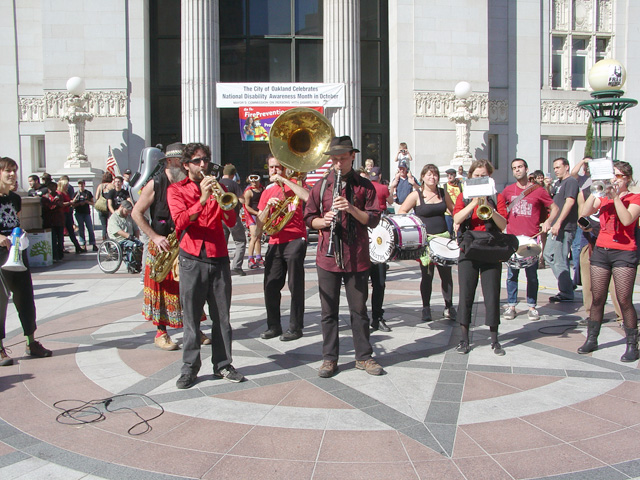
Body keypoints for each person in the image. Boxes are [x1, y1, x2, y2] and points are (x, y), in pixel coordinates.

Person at [304, 135, 383, 378]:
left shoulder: (364, 186)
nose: (338, 163)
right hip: (327, 257)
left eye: (342, 159)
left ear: (352, 157)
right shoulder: (321, 185)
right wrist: (322, 221)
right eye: (334, 159)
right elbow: (308, 218)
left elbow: (373, 219)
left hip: (356, 255)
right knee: (328, 311)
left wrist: (351, 208)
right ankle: (330, 359)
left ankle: (364, 357)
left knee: (358, 310)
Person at [167, 142, 244, 389]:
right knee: (191, 319)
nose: (203, 165)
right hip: (192, 259)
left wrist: (223, 198)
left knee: (222, 317)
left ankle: (223, 365)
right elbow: (180, 222)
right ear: (186, 165)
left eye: (206, 160)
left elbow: (231, 219)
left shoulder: (218, 188)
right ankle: (189, 368)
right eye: (198, 161)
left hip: (219, 257)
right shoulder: (176, 190)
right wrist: (201, 198)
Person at [132, 142, 210, 350]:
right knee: (161, 289)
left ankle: (194, 328)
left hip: (185, 241)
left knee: (191, 289)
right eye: (180, 160)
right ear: (169, 161)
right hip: (163, 244)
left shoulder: (189, 182)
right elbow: (136, 213)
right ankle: (161, 332)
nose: (184, 164)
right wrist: (154, 237)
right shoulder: (155, 183)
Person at [577, 161, 640, 362]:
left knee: (624, 299)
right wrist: (597, 190)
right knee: (597, 297)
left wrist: (615, 197)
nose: (614, 179)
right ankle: (592, 338)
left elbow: (627, 219)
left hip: (624, 251)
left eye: (618, 176)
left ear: (627, 179)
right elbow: (585, 212)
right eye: (612, 175)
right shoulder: (603, 196)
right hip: (602, 250)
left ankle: (632, 344)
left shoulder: (635, 197)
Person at [0, 157, 52, 366]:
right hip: (0, 256)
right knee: (1, 301)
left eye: (15, 170)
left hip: (17, 253)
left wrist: (20, 235)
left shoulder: (15, 198)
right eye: (7, 171)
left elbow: (16, 221)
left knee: (25, 298)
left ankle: (31, 342)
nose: (13, 175)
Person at [453, 159, 508, 356]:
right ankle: (464, 339)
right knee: (466, 295)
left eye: (483, 176)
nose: (480, 178)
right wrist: (474, 203)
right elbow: (457, 219)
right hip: (469, 250)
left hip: (490, 250)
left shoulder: (497, 197)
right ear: (470, 177)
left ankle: (494, 339)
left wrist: (489, 208)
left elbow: (502, 225)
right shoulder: (463, 197)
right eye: (476, 176)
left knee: (492, 295)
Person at [257, 155, 310, 341]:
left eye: (278, 167)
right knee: (270, 286)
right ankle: (274, 326)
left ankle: (295, 327)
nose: (274, 171)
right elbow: (259, 224)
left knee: (295, 285)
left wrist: (285, 180)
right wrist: (266, 209)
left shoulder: (295, 184)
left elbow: (308, 197)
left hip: (295, 238)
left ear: (285, 168)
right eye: (271, 168)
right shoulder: (266, 192)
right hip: (274, 242)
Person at [399, 164, 455, 322]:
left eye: (435, 174)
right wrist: (414, 226)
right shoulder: (417, 195)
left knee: (446, 275)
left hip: (443, 239)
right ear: (422, 177)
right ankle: (426, 307)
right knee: (427, 275)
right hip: (426, 240)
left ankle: (449, 306)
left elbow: (453, 211)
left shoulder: (443, 193)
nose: (433, 177)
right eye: (429, 175)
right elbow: (402, 211)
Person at [502, 158, 555, 321]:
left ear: (526, 169)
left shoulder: (538, 190)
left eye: (520, 167)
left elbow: (555, 207)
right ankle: (511, 305)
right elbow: (501, 209)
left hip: (531, 239)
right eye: (514, 168)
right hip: (512, 239)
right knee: (512, 274)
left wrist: (548, 222)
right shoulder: (508, 190)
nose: (517, 170)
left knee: (531, 275)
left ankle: (532, 306)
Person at [542, 157, 579, 302]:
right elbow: (552, 202)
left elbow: (569, 202)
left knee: (559, 259)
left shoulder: (570, 182)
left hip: (565, 227)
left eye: (558, 167)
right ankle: (567, 284)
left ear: (567, 167)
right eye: (554, 168)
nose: (556, 170)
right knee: (549, 255)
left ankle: (566, 291)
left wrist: (559, 223)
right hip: (557, 225)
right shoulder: (559, 183)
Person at [367, 166, 392, 332]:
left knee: (364, 283)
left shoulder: (366, 187)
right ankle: (377, 317)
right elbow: (391, 203)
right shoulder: (382, 188)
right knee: (379, 283)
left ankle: (370, 318)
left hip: (371, 231)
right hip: (379, 233)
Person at [219, 163, 247, 276]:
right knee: (240, 241)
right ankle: (237, 265)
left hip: (220, 218)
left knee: (222, 243)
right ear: (233, 174)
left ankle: (223, 266)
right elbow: (242, 200)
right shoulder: (234, 184)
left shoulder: (218, 183)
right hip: (232, 217)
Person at [107, 200, 143, 271]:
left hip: (130, 238)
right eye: (127, 211)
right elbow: (118, 231)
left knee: (140, 245)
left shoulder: (129, 217)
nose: (128, 213)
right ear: (121, 207)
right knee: (132, 245)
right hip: (119, 240)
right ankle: (130, 265)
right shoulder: (114, 217)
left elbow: (136, 229)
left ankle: (138, 263)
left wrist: (137, 238)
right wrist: (130, 237)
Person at [244, 172, 264, 269]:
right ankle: (250, 258)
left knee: (259, 238)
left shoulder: (263, 189)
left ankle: (259, 257)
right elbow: (247, 206)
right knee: (254, 237)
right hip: (252, 216)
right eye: (252, 180)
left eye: (255, 180)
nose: (254, 182)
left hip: (261, 216)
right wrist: (256, 213)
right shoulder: (249, 192)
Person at [57, 178, 83, 254]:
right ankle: (61, 248)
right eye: (65, 185)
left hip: (68, 212)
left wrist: (71, 202)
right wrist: (69, 202)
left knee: (71, 230)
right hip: (63, 213)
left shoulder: (66, 193)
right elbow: (61, 204)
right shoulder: (60, 193)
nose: (67, 186)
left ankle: (77, 247)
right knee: (62, 232)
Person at [41, 182, 65, 262]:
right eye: (49, 187)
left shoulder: (59, 196)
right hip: (50, 222)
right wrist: (55, 203)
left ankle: (60, 255)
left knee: (60, 239)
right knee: (53, 240)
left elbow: (61, 204)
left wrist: (56, 203)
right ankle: (55, 256)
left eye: (53, 187)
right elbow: (50, 207)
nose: (51, 189)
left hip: (59, 221)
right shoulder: (45, 198)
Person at [72, 180, 98, 252]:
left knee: (90, 228)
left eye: (82, 185)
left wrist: (87, 202)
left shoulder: (88, 193)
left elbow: (93, 202)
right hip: (79, 212)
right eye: (80, 185)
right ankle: (83, 244)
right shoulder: (76, 193)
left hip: (86, 213)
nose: (81, 186)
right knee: (81, 229)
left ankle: (93, 243)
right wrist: (78, 203)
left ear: (84, 185)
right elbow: (73, 204)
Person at [95, 172, 114, 240]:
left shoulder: (100, 186)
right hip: (109, 207)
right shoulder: (111, 186)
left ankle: (104, 240)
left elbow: (96, 197)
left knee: (104, 226)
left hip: (102, 208)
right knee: (110, 225)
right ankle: (110, 240)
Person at [444, 168, 463, 236]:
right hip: (448, 213)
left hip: (458, 213)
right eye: (448, 175)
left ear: (455, 175)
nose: (449, 177)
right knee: (449, 232)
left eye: (451, 175)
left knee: (459, 232)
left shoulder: (460, 185)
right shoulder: (445, 186)